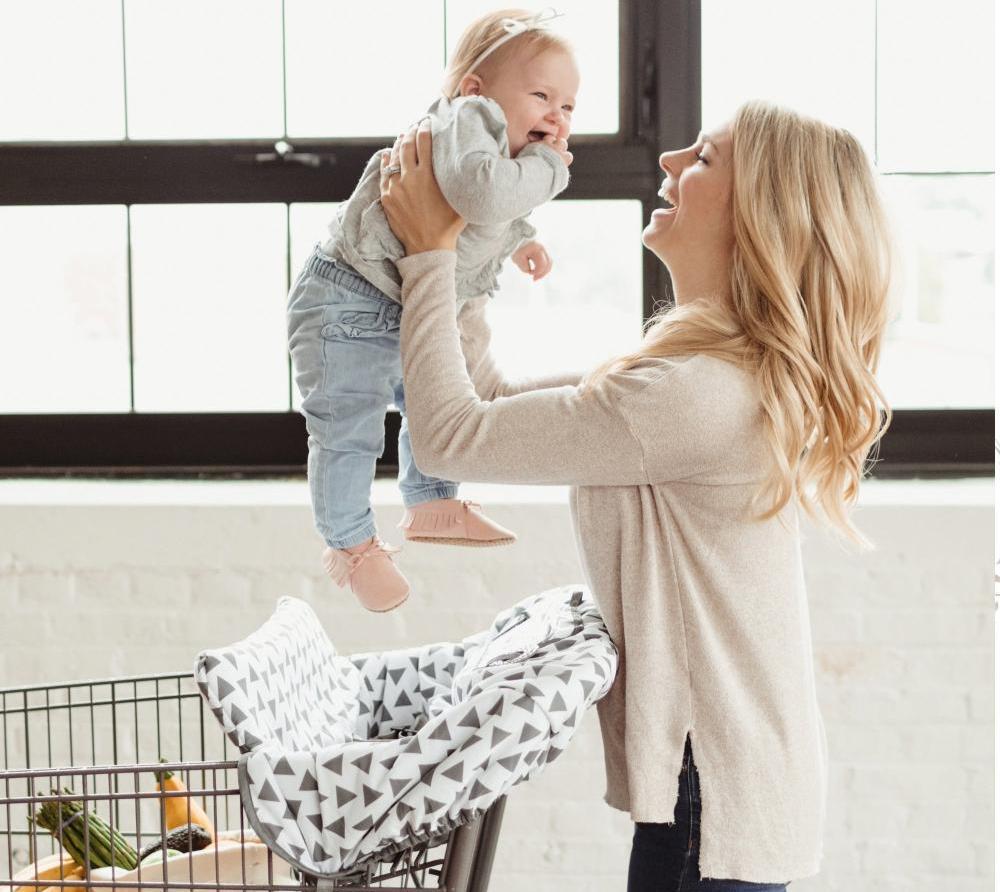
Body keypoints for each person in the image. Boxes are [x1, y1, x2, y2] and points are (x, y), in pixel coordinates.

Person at [378, 100, 893, 889]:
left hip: (717, 787)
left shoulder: (693, 395)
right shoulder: (695, 371)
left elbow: (450, 436)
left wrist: (427, 252)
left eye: (707, 158)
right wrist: (472, 243)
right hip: (730, 777)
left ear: (761, 216)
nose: (669, 160)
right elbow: (483, 396)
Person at [286, 8, 579, 613]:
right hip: (349, 297)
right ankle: (351, 545)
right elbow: (479, 191)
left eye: (570, 105)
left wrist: (519, 239)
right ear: (476, 90)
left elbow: (481, 208)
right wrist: (550, 169)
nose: (557, 115)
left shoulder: (491, 143)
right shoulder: (466, 120)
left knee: (437, 394)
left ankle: (430, 499)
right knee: (349, 432)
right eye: (542, 95)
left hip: (396, 298)